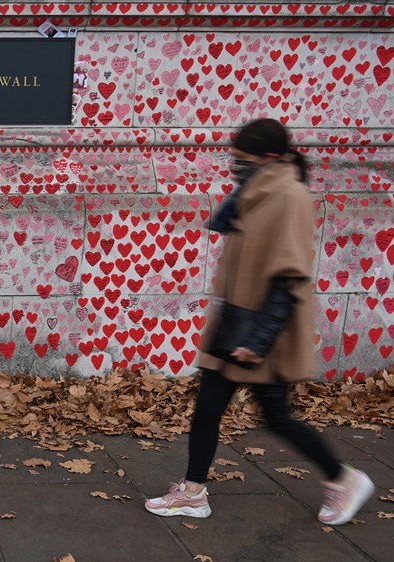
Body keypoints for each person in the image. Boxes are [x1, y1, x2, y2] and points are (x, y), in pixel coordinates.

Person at [144, 118, 375, 526]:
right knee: (208, 409)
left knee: (276, 417)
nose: (235, 166)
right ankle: (194, 492)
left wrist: (260, 338)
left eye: (242, 159)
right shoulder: (256, 190)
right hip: (236, 322)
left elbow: (290, 275)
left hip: (263, 332)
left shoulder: (289, 196)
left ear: (269, 156)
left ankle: (345, 478)